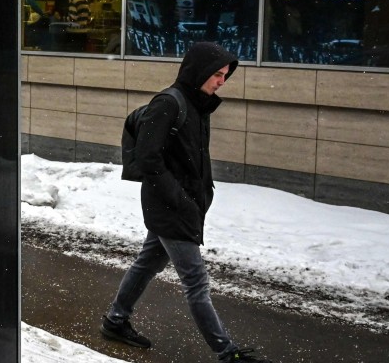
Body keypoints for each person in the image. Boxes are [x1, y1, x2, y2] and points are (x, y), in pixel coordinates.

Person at [100, 41, 273, 363]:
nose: (221, 81)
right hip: (170, 206)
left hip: (182, 203)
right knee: (196, 281)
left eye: (225, 75)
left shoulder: (197, 103)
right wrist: (179, 199)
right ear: (199, 71)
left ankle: (115, 321)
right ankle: (227, 352)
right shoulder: (169, 103)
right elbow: (148, 158)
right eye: (217, 74)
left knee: (148, 262)